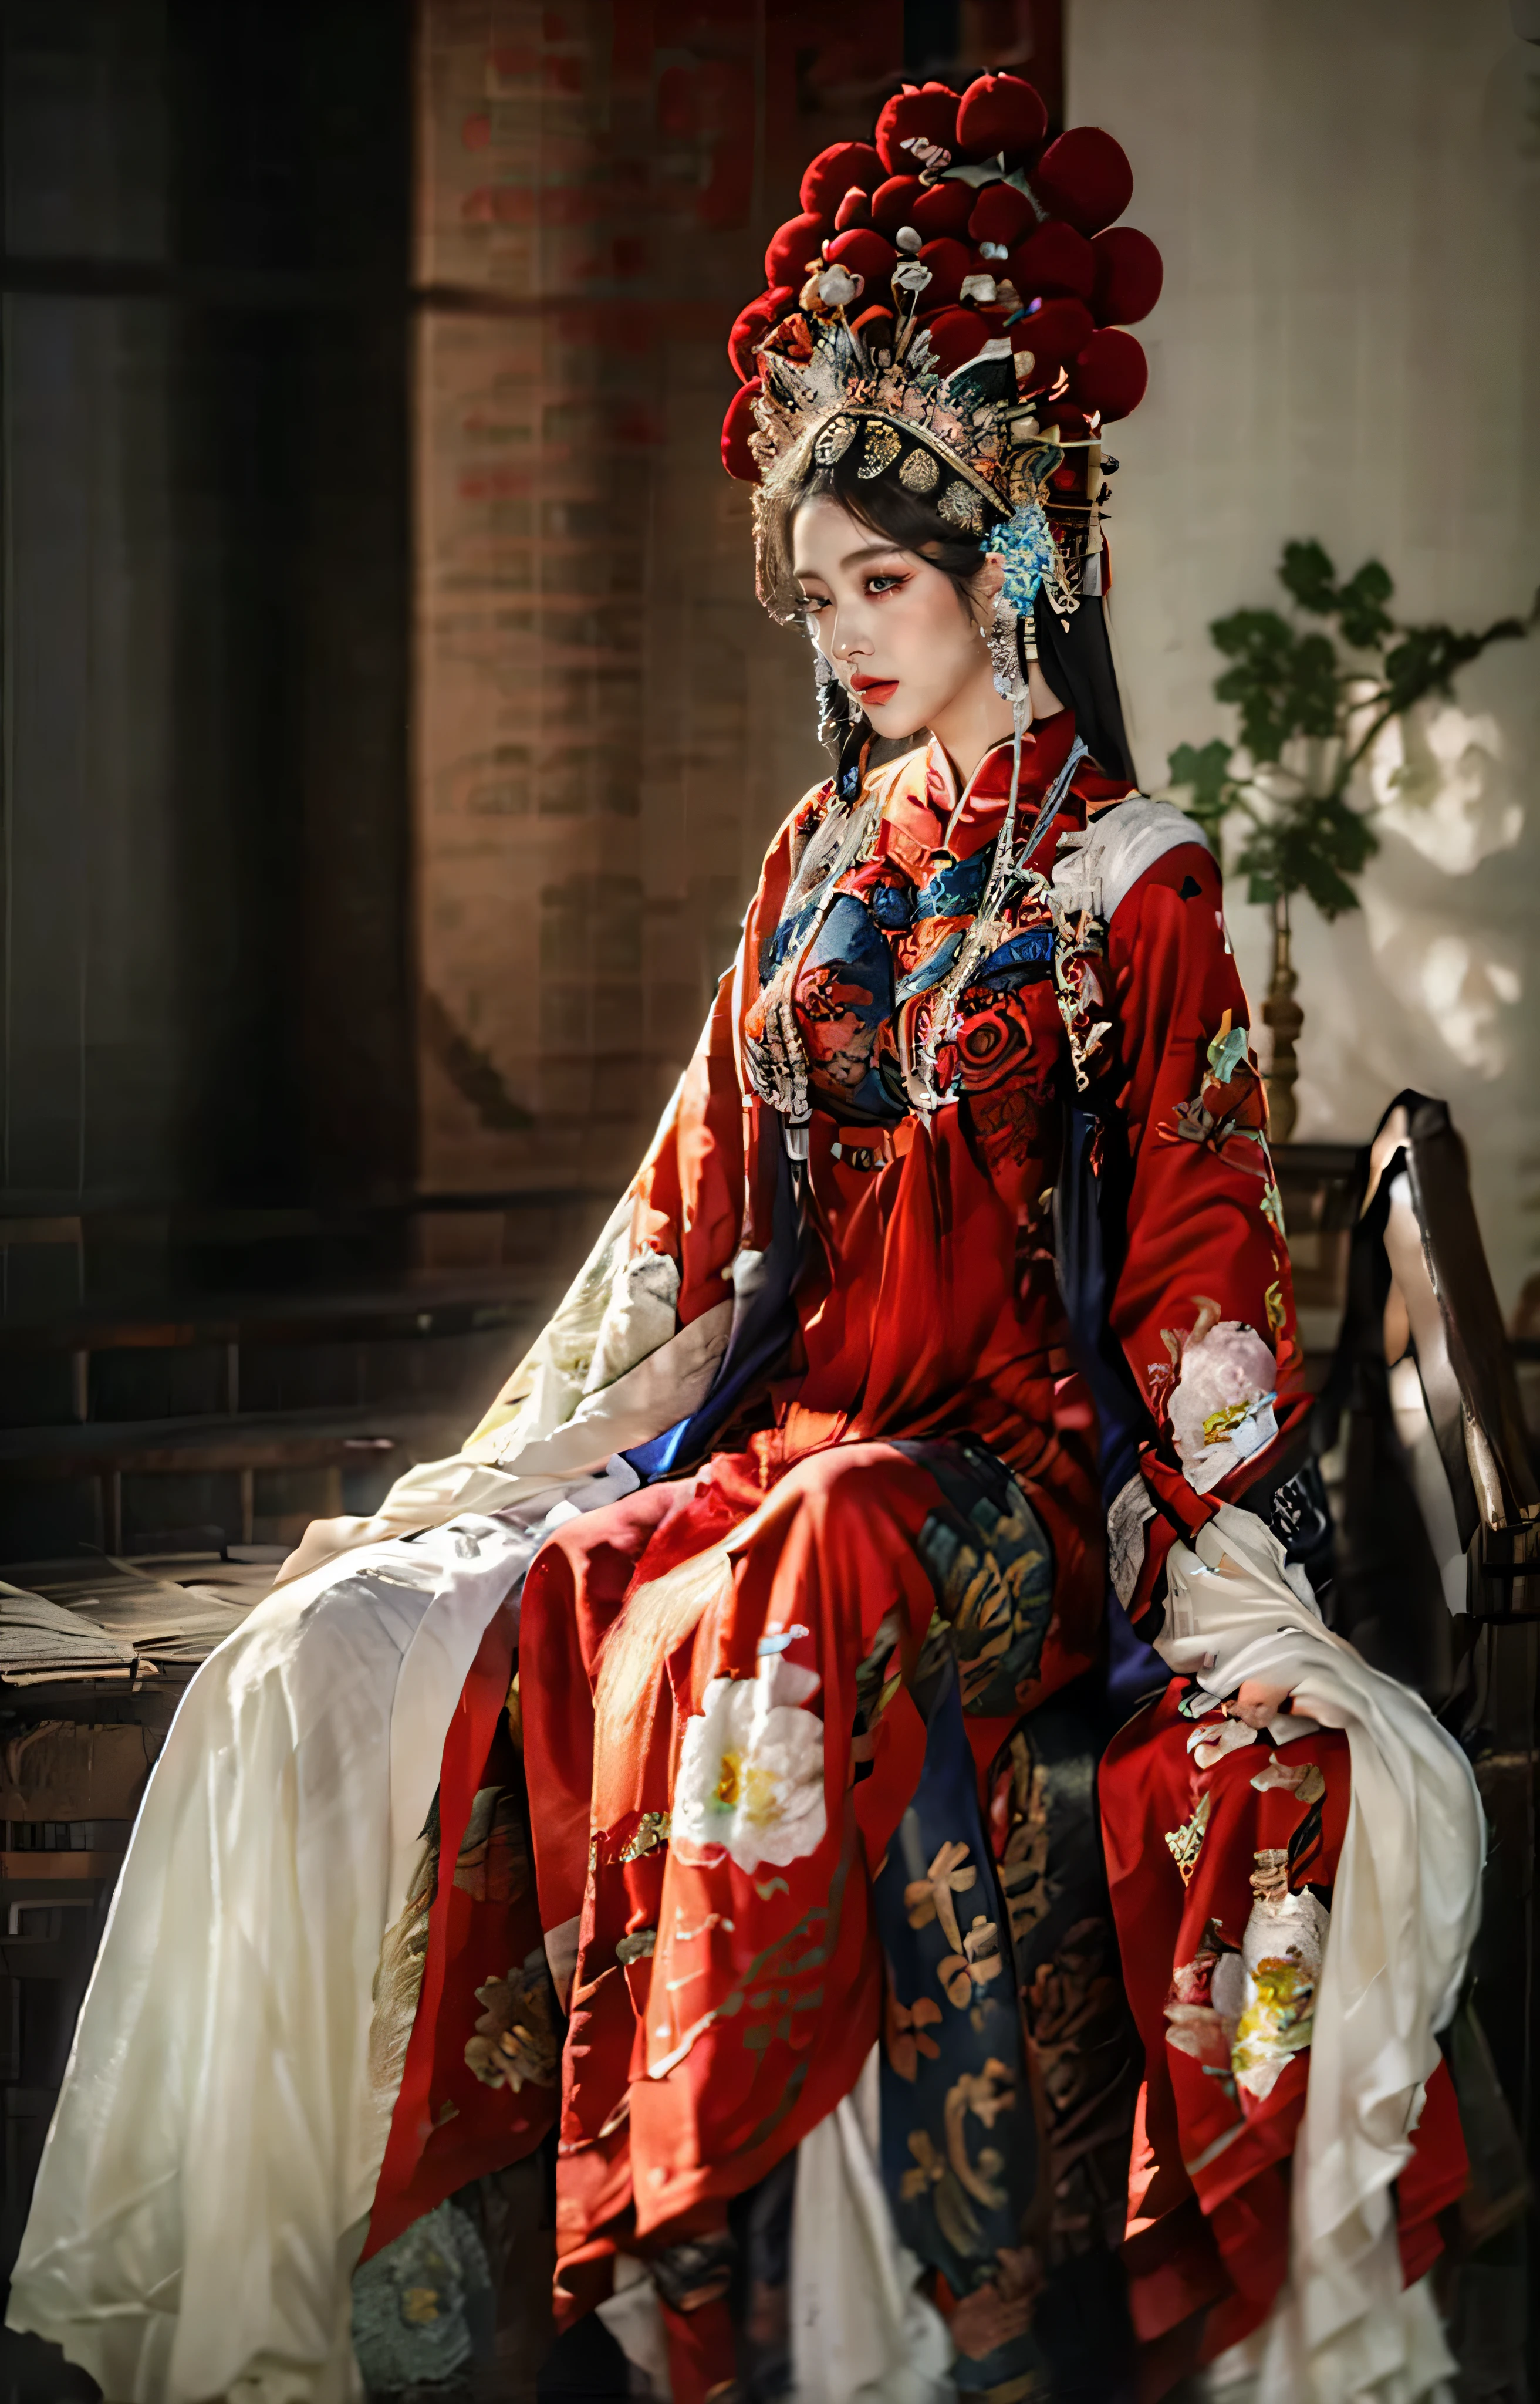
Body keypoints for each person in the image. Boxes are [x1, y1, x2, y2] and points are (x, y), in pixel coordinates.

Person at [9, 69, 1482, 2404]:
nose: (843, 641)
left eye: (879, 586)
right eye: (813, 597)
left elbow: (1200, 1274)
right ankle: (507, 2259)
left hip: (1016, 1486)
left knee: (805, 1560)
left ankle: (814, 2281)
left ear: (1011, 554)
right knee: (425, 1626)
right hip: (794, 1442)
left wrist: (1246, 1600)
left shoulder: (1132, 879)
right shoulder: (811, 874)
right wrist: (463, 1502)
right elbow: (680, 1235)